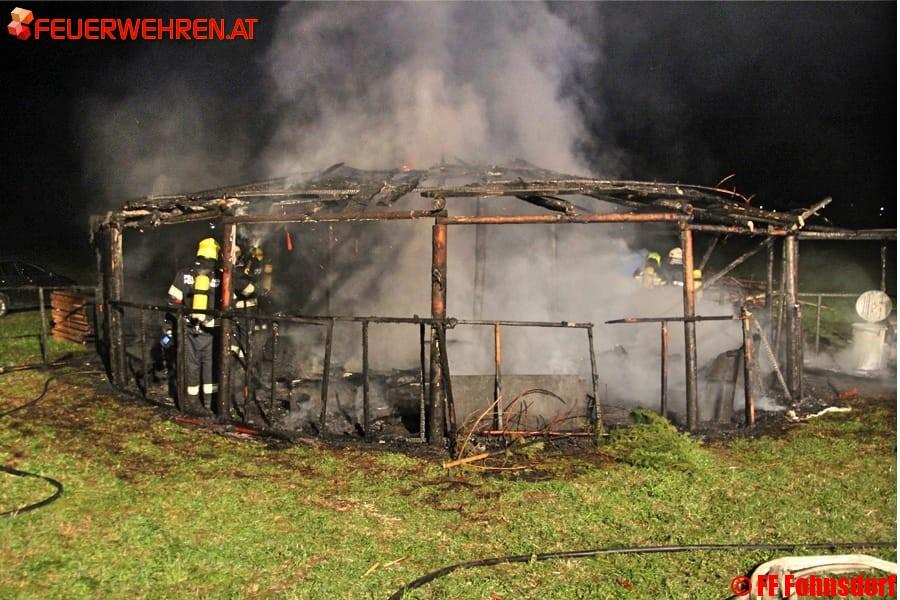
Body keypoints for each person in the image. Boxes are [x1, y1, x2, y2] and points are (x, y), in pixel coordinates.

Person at [167, 237, 222, 415]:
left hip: (190, 329)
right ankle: (209, 403)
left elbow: (172, 301)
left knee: (192, 365)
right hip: (212, 331)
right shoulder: (221, 276)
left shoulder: (184, 274)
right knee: (210, 365)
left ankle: (192, 403)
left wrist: (178, 321)